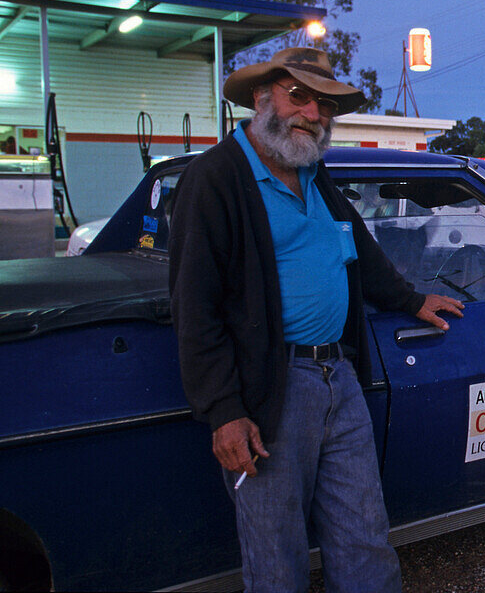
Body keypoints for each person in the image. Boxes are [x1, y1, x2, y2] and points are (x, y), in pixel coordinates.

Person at [168, 47, 463, 593]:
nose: (313, 113)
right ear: (262, 99)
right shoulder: (216, 178)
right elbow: (194, 306)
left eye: (326, 104)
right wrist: (225, 411)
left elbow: (358, 247)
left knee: (364, 537)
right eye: (298, 96)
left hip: (339, 379)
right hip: (272, 391)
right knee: (277, 557)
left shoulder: (313, 171)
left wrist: (410, 299)